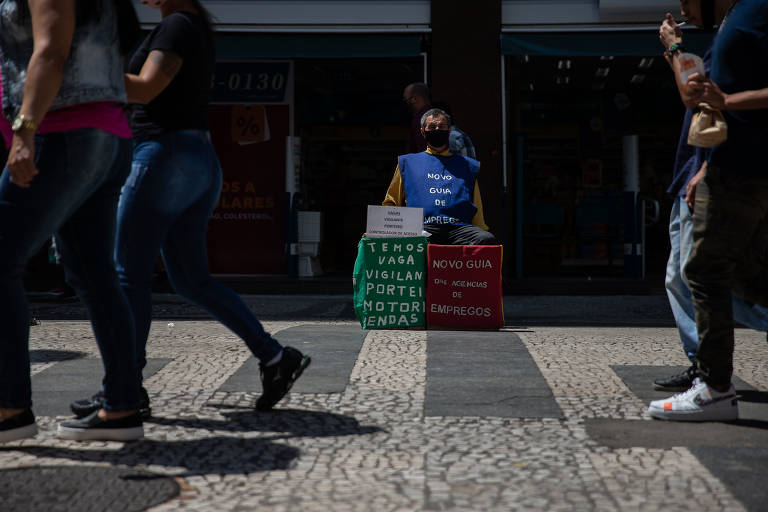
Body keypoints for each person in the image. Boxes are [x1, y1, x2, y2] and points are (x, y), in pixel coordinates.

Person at [70, 0, 310, 418]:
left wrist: (80, 74)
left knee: (129, 276)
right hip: (198, 159)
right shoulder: (188, 26)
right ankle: (274, 357)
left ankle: (125, 389)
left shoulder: (177, 26)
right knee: (191, 279)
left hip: (164, 156)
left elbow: (145, 87)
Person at [0, 0, 144, 442]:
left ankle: (10, 409)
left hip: (64, 136)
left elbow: (50, 50)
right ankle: (121, 408)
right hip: (100, 135)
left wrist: (24, 132)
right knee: (95, 277)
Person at [649, 0, 768, 421]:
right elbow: (696, 97)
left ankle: (713, 384)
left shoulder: (753, 13)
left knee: (703, 271)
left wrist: (728, 101)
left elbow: (700, 97)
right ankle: (709, 377)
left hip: (736, 166)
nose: (681, 5)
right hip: (718, 165)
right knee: (726, 273)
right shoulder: (735, 21)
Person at [383, 108, 498, 245]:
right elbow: (391, 202)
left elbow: (476, 205)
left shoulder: (467, 166)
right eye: (432, 127)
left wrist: (482, 229)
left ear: (449, 130)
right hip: (422, 228)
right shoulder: (407, 163)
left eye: (441, 127)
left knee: (485, 239)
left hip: (459, 229)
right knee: (414, 241)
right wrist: (383, 229)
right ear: (422, 132)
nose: (437, 129)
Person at [403, 82, 431, 154]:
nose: (406, 103)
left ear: (414, 98)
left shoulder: (419, 120)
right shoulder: (438, 116)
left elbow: (420, 148)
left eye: (406, 100)